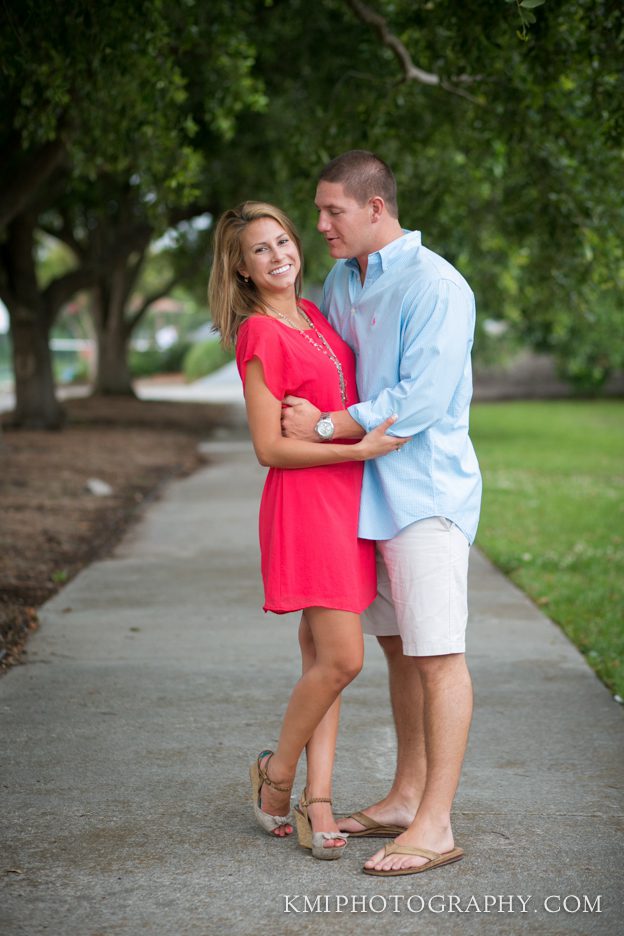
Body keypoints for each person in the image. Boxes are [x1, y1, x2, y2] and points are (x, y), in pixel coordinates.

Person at [281, 151, 482, 876]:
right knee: (402, 650)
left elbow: (419, 401)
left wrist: (330, 427)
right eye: (319, 210)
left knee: (439, 656)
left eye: (333, 210)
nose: (321, 224)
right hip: (362, 496)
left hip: (425, 496)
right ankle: (405, 796)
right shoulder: (342, 280)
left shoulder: (437, 285)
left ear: (375, 208)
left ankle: (436, 822)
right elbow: (329, 365)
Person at [208, 201, 408, 861]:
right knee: (344, 658)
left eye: (283, 241)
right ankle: (278, 775)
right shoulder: (259, 334)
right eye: (260, 250)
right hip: (307, 504)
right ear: (241, 268)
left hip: (346, 504)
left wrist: (329, 421)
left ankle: (317, 800)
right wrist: (354, 450)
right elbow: (269, 447)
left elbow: (328, 409)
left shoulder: (316, 315)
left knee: (324, 662)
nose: (278, 256)